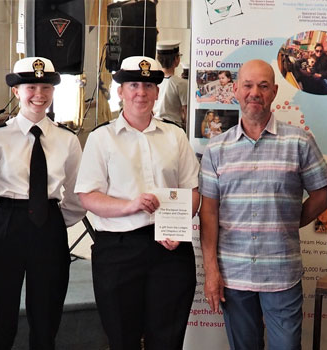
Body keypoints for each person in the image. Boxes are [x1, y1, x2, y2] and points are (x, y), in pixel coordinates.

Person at [199, 59, 327, 350]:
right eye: (247, 85)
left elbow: (323, 192)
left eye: (262, 86)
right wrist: (211, 272)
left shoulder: (298, 141)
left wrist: (292, 219)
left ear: (273, 92)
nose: (254, 93)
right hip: (234, 276)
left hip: (281, 274)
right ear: (235, 90)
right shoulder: (216, 149)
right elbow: (208, 212)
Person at [75, 56, 201, 350]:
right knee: (122, 338)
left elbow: (193, 191)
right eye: (133, 85)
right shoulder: (101, 138)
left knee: (168, 339)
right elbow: (88, 196)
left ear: (158, 92)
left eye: (148, 85)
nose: (140, 93)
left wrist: (179, 226)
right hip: (118, 249)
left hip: (170, 249)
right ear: (120, 91)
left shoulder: (176, 136)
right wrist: (130, 206)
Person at [0, 57, 85, 350]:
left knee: (46, 316)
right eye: (30, 87)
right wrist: (2, 219)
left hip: (50, 227)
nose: (39, 94)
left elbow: (77, 193)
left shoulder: (67, 139)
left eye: (45, 87)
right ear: (16, 92)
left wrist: (54, 219)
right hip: (6, 222)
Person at [154, 40, 188, 129]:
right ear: (176, 59)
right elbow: (186, 112)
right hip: (173, 127)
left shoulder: (153, 81)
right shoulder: (181, 83)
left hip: (155, 124)